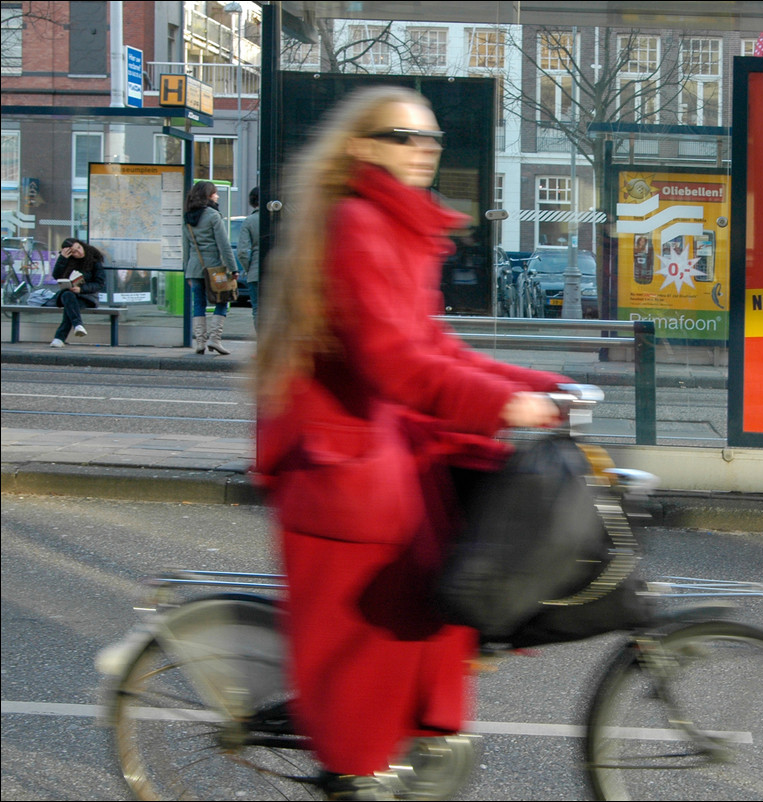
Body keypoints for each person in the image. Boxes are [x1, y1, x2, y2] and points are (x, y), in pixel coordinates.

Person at [254, 86, 566, 800]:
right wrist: (505, 403)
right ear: (361, 147)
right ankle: (355, 773)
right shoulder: (360, 224)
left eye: (430, 138)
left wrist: (540, 384)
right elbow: (393, 361)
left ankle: (398, 747)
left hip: (377, 447)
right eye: (403, 136)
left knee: (448, 577)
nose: (424, 148)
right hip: (344, 466)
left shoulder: (393, 225)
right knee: (396, 619)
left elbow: (435, 345)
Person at [182, 180, 238, 355]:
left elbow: (186, 247)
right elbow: (224, 245)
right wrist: (233, 268)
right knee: (223, 300)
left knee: (198, 303)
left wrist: (187, 273)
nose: (217, 195)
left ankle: (200, 342)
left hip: (194, 268)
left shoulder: (187, 217)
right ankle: (215, 339)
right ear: (207, 196)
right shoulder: (213, 215)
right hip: (215, 269)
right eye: (214, 193)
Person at [48, 238, 105, 348]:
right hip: (69, 294)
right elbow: (56, 276)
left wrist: (81, 289)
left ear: (82, 245)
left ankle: (60, 338)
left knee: (70, 306)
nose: (79, 252)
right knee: (68, 297)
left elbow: (99, 283)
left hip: (87, 297)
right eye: (74, 251)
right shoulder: (67, 260)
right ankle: (78, 325)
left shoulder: (94, 260)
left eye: (79, 247)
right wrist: (62, 259)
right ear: (69, 253)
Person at [237, 186, 261, 329]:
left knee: (258, 310)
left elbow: (242, 252)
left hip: (255, 273)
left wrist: (248, 268)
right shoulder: (279, 219)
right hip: (278, 273)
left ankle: (261, 343)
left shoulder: (249, 221)